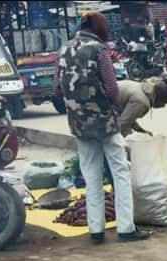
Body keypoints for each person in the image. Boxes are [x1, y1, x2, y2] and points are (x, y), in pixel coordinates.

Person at [54, 12, 149, 244]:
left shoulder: (63, 50)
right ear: (99, 28)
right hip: (104, 122)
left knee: (91, 177)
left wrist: (76, 108)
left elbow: (57, 89)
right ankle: (126, 229)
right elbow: (112, 89)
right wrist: (111, 108)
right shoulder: (99, 50)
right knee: (120, 173)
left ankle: (96, 231)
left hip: (79, 124)